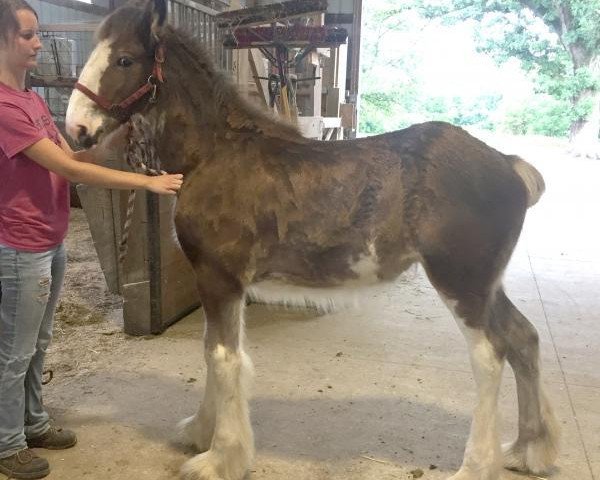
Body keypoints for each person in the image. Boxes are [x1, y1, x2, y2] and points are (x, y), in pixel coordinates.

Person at [0, 1, 184, 478]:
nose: (38, 42)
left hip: (50, 235)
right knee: (14, 350)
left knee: (39, 342)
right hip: (20, 244)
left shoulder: (33, 101)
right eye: (27, 35)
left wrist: (124, 130)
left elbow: (81, 154)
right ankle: (6, 444)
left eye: (36, 33)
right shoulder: (3, 107)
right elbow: (69, 169)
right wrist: (149, 183)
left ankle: (33, 422)